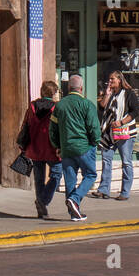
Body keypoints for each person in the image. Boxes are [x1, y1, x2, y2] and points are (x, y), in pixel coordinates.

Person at [49, 74, 100, 221]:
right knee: (90, 175)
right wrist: (95, 141)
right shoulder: (87, 105)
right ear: (81, 88)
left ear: (68, 87)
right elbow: (94, 127)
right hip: (84, 147)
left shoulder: (60, 105)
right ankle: (75, 200)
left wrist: (57, 145)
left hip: (67, 148)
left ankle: (74, 213)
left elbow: (53, 129)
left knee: (70, 179)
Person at [19, 80, 62, 219]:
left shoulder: (32, 106)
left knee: (39, 177)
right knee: (56, 174)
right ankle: (43, 201)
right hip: (51, 147)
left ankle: (41, 208)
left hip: (35, 146)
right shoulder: (56, 108)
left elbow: (25, 124)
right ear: (53, 93)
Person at [94, 71, 139, 202]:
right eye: (109, 79)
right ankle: (104, 189)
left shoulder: (128, 94)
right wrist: (107, 95)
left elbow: (135, 111)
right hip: (109, 133)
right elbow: (102, 108)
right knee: (106, 159)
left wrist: (121, 122)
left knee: (126, 161)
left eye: (112, 79)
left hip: (125, 131)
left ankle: (125, 192)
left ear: (119, 80)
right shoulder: (110, 94)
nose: (110, 82)